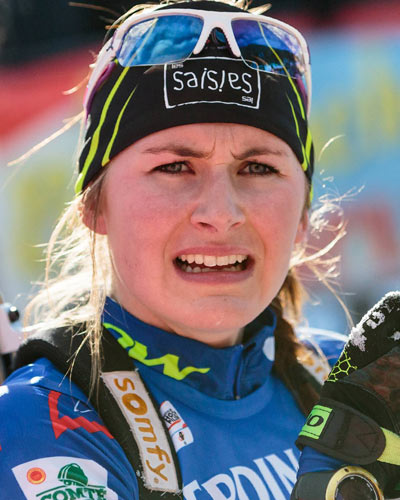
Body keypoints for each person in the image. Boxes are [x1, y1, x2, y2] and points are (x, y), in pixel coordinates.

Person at [0, 0, 351, 498]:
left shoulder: (356, 387)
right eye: (174, 167)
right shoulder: (43, 424)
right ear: (95, 205)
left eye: (258, 168)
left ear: (302, 216)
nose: (221, 212)